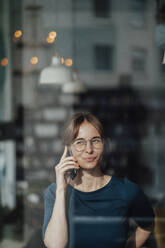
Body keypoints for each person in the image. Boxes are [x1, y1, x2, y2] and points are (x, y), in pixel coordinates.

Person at [42, 112, 155, 248]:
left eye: (95, 141)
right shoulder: (55, 192)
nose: (89, 149)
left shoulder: (126, 190)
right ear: (69, 149)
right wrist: (61, 189)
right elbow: (55, 245)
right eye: (80, 142)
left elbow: (147, 225)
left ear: (104, 144)